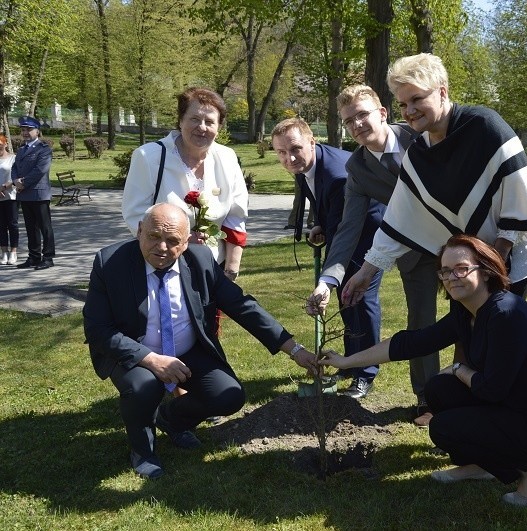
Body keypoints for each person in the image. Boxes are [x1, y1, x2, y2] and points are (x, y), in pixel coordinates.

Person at [323, 234, 527, 504]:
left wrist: (458, 369)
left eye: (461, 269)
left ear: (487, 272)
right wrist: (345, 361)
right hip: (510, 405)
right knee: (438, 389)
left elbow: (491, 390)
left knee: (443, 427)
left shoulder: (505, 314)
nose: (451, 277)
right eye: (445, 271)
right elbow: (413, 343)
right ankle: (484, 466)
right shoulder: (466, 310)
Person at [83, 203, 317, 480]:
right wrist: (151, 360)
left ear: (186, 242)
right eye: (154, 236)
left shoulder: (201, 260)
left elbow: (242, 306)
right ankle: (143, 453)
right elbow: (98, 329)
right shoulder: (110, 263)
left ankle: (171, 419)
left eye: (172, 241)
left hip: (187, 350)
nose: (162, 247)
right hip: (136, 354)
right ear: (139, 231)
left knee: (229, 395)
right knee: (144, 387)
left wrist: (295, 350)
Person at [342, 53, 527, 307]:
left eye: (417, 99)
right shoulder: (418, 154)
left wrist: (492, 267)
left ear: (442, 92)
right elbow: (399, 218)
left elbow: (518, 200)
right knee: (466, 338)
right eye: (402, 104)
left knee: (500, 335)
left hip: (511, 257)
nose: (409, 111)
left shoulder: (485, 127)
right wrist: (366, 273)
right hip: (467, 265)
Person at [305, 85, 440, 423]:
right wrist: (327, 282)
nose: (358, 125)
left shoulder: (422, 138)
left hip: (462, 244)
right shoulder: (359, 169)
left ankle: (479, 393)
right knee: (421, 324)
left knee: (476, 319)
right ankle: (428, 399)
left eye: (363, 114)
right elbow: (347, 231)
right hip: (414, 254)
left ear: (382, 113)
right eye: (350, 121)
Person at [271, 117, 384, 399]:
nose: (289, 158)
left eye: (295, 149)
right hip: (345, 229)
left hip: (368, 236)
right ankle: (350, 362)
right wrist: (320, 223)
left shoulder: (337, 174)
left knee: (360, 299)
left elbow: (345, 229)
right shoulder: (306, 165)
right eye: (281, 152)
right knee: (347, 303)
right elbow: (324, 204)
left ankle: (366, 372)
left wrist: (326, 282)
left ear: (312, 141)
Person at [122, 87, 248, 281]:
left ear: (219, 126)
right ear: (181, 120)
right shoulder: (148, 157)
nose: (202, 127)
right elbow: (135, 216)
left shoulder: (227, 158)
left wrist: (230, 270)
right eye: (195, 119)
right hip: (162, 267)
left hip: (213, 269)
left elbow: (235, 218)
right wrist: (179, 242)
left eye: (209, 122)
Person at [12, 116, 54, 270]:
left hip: (38, 193)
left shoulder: (44, 149)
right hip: (25, 194)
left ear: (37, 131)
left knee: (45, 227)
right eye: (23, 130)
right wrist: (15, 180)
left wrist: (22, 183)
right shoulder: (22, 149)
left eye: (29, 129)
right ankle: (34, 257)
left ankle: (48, 257)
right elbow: (14, 167)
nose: (25, 132)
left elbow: (40, 170)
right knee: (30, 228)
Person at [0, 135, 18, 265]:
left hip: (10, 195)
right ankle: (4, 251)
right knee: (1, 226)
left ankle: (13, 251)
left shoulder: (13, 158)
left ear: (5, 144)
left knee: (12, 224)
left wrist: (6, 186)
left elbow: (17, 175)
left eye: (0, 143)